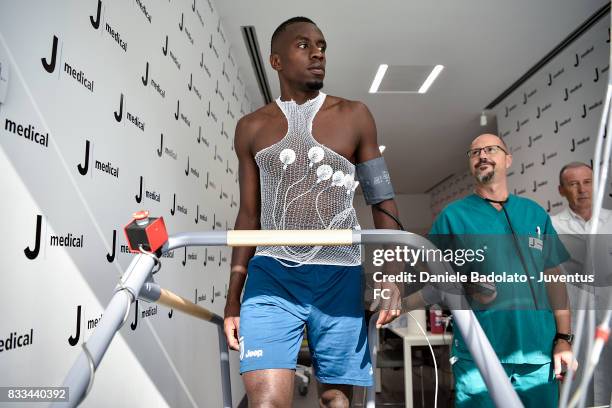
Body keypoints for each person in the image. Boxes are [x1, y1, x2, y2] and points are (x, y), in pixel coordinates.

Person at [223, 17, 402, 407]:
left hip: (339, 275)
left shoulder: (355, 115)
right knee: (266, 402)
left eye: (321, 45)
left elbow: (381, 199)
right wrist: (233, 297)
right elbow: (249, 216)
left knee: (336, 400)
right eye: (303, 45)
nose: (318, 52)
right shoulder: (250, 127)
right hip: (271, 277)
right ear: (276, 61)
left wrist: (391, 275)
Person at [429, 133, 576, 407]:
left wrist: (564, 339)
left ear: (508, 159)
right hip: (478, 357)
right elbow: (433, 282)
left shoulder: (534, 214)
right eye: (475, 152)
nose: (482, 155)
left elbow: (554, 280)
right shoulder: (452, 217)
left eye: (490, 149)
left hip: (537, 355)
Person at [551, 161, 612, 406]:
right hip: (573, 325)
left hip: (608, 319)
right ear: (561, 190)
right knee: (576, 393)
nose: (582, 189)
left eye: (587, 182)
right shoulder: (551, 227)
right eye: (573, 184)